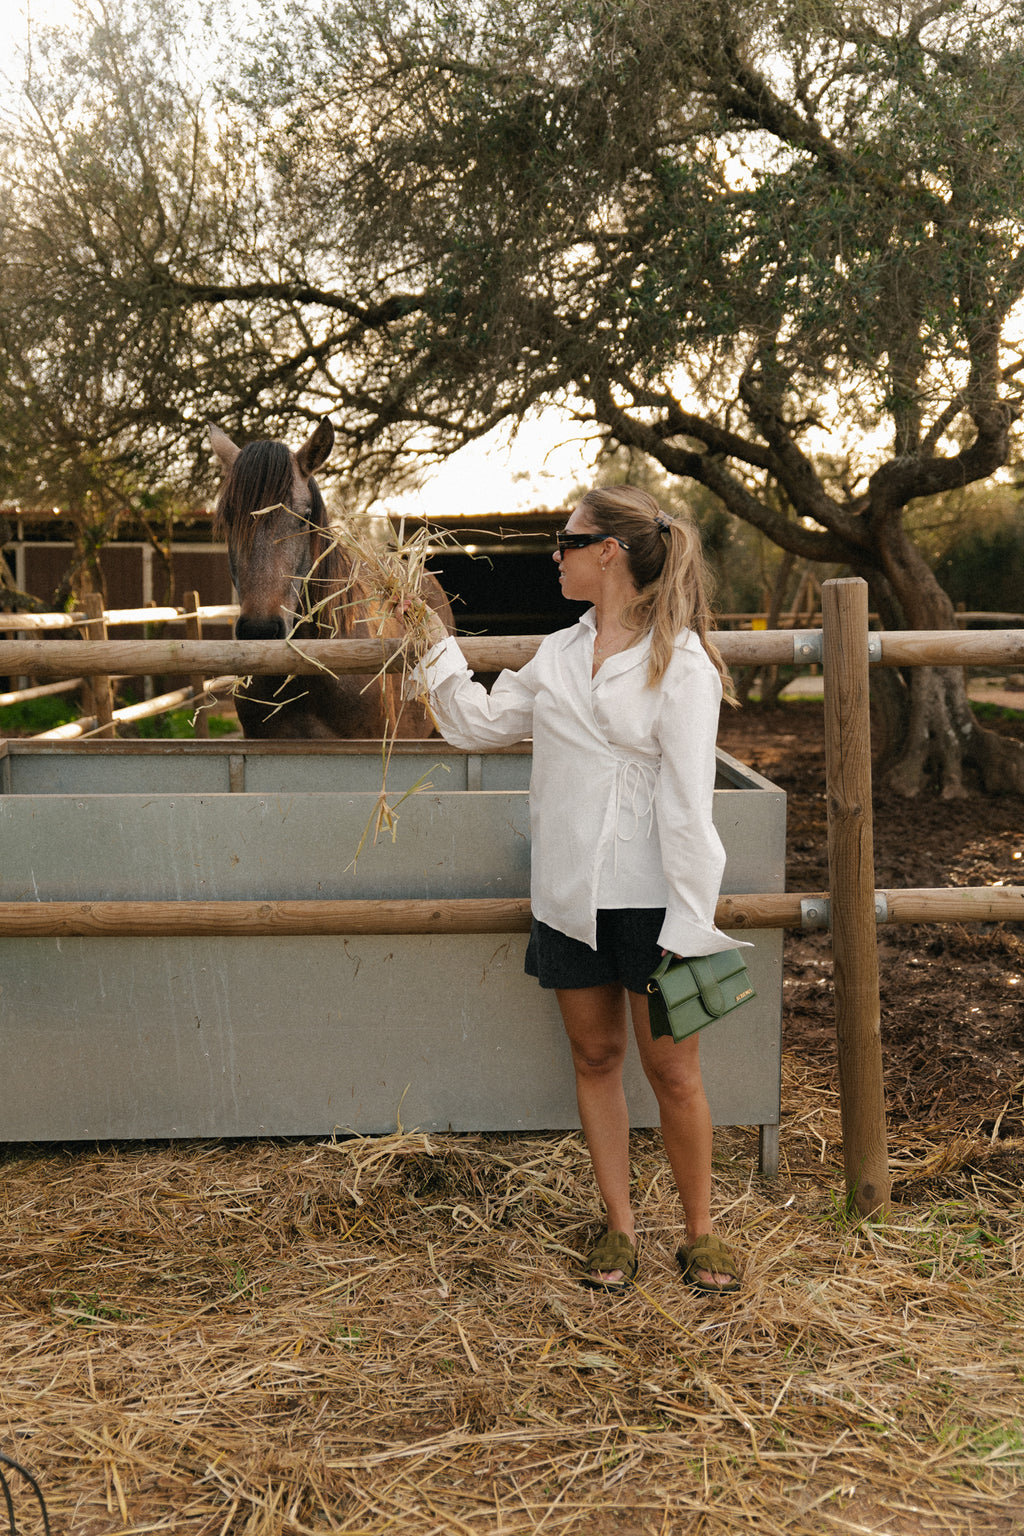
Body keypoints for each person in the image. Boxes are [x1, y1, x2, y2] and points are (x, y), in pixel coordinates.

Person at [407, 485, 745, 1294]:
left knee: (675, 1074)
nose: (555, 555)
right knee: (595, 1058)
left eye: (568, 541)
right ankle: (618, 1228)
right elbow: (476, 725)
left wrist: (692, 922)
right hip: (568, 895)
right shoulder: (558, 655)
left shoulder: (682, 663)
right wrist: (432, 638)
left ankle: (701, 1234)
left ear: (610, 551)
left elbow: (690, 807)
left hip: (659, 901)